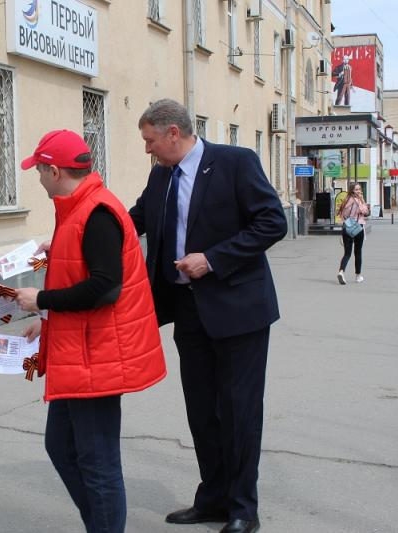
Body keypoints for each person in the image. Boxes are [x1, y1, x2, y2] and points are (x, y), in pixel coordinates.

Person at [129, 99, 287, 533]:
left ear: (173, 133)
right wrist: (81, 235)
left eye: (150, 141)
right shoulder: (161, 174)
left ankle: (242, 509)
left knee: (238, 411)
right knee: (202, 411)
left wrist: (213, 259)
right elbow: (133, 222)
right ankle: (213, 498)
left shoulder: (236, 162)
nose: (148, 150)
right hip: (188, 311)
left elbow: (272, 222)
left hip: (239, 311)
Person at [14, 129, 166, 533]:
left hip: (96, 357)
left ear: (54, 170)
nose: (39, 178)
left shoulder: (95, 212)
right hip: (79, 353)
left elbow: (105, 287)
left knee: (98, 464)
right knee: (61, 447)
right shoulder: (79, 208)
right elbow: (82, 271)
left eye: (39, 171)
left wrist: (42, 303)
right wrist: (47, 315)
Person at [336, 182, 370, 285]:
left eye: (359, 189)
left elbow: (342, 214)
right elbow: (366, 212)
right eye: (356, 190)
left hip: (347, 227)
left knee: (347, 253)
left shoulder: (346, 200)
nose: (359, 191)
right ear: (352, 190)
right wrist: (362, 200)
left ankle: (341, 272)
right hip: (357, 228)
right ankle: (358, 276)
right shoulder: (357, 201)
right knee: (358, 252)